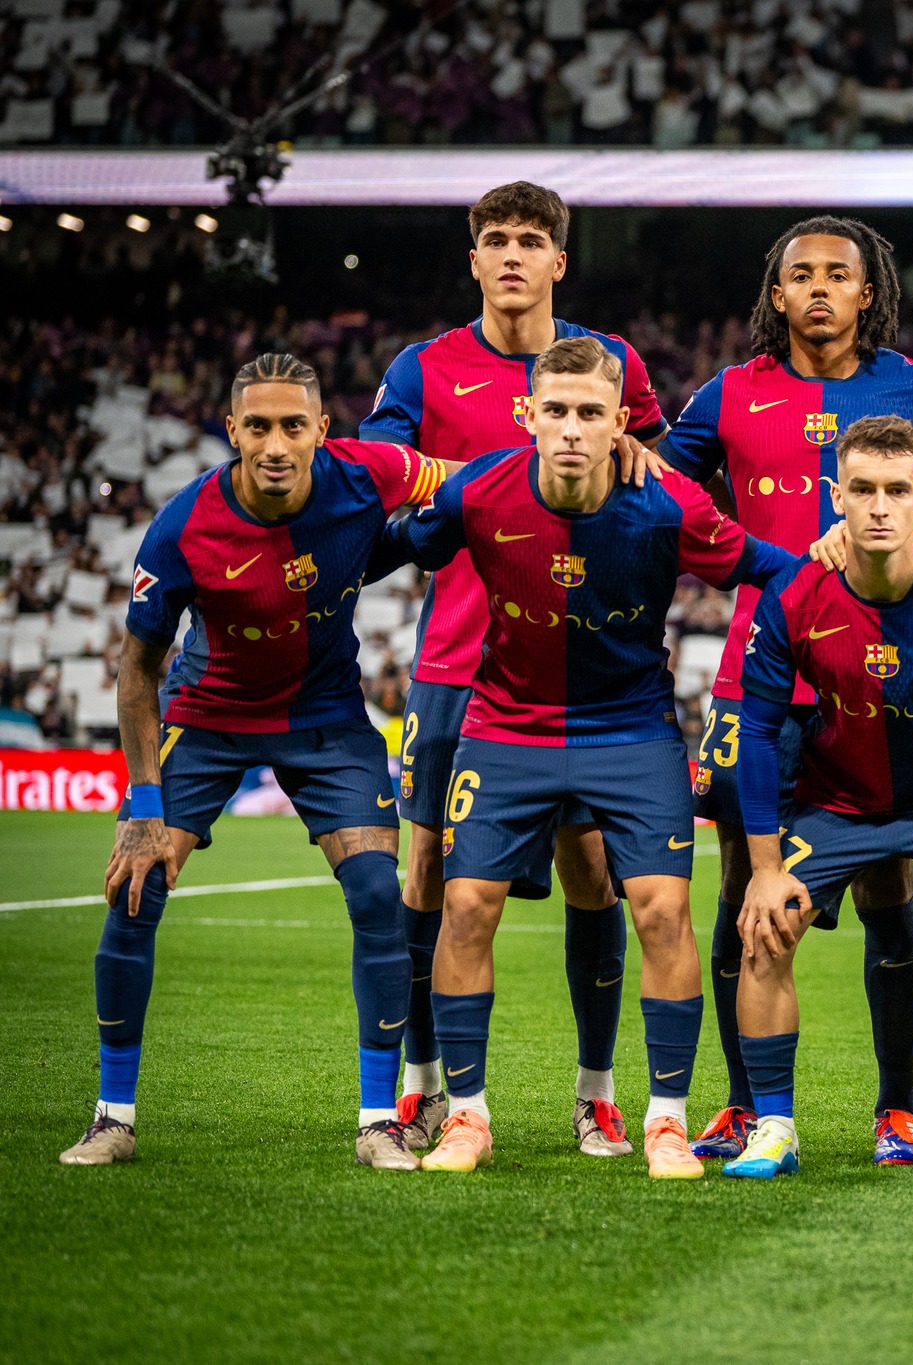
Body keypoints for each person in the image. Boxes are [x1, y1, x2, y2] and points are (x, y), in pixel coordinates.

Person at [377, 336, 793, 1178]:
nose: (571, 428)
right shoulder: (481, 488)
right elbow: (392, 543)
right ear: (529, 415)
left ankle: (666, 1122)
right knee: (464, 907)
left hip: (630, 732)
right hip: (507, 727)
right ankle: (467, 1115)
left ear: (622, 425)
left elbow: (769, 566)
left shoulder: (667, 500)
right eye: (556, 410)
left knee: (663, 914)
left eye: (591, 413)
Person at [659, 215, 913, 1166]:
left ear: (870, 293)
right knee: (746, 883)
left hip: (890, 680)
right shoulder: (729, 395)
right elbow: (660, 490)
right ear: (776, 295)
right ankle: (741, 1104)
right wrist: (772, 563)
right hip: (761, 678)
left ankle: (896, 1108)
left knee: (892, 874)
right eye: (799, 274)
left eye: (838, 275)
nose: (819, 287)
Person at [60, 354, 448, 1170]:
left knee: (381, 893)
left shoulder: (369, 472)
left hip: (327, 713)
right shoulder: (184, 524)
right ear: (231, 430)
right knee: (137, 889)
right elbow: (137, 670)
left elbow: (463, 477)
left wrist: (573, 460)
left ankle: (380, 1119)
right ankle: (111, 1116)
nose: (276, 444)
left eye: (293, 425)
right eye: (259, 426)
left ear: (322, 431)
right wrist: (140, 804)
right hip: (209, 713)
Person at [360, 180, 673, 1159]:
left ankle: (596, 1093)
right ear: (473, 258)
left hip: (583, 671)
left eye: (529, 241)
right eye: (493, 240)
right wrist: (481, 480)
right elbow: (379, 477)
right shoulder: (424, 369)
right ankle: (422, 1091)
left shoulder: (608, 365)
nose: (510, 256)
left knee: (593, 875)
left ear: (557, 261)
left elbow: (655, 484)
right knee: (430, 876)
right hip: (458, 664)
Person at [724, 415, 913, 1186]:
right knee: (764, 929)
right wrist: (764, 868)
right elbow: (757, 734)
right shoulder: (794, 595)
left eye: (897, 490)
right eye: (861, 489)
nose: (878, 506)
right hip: (836, 798)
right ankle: (774, 1126)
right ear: (836, 495)